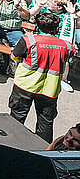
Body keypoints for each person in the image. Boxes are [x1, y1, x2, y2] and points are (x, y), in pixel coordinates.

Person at [8, 11, 74, 143]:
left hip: (25, 86)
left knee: (16, 119)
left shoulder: (29, 40)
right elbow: (68, 58)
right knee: (45, 125)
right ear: (56, 28)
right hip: (50, 91)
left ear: (37, 26)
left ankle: (11, 147)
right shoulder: (66, 46)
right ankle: (43, 154)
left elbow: (14, 56)